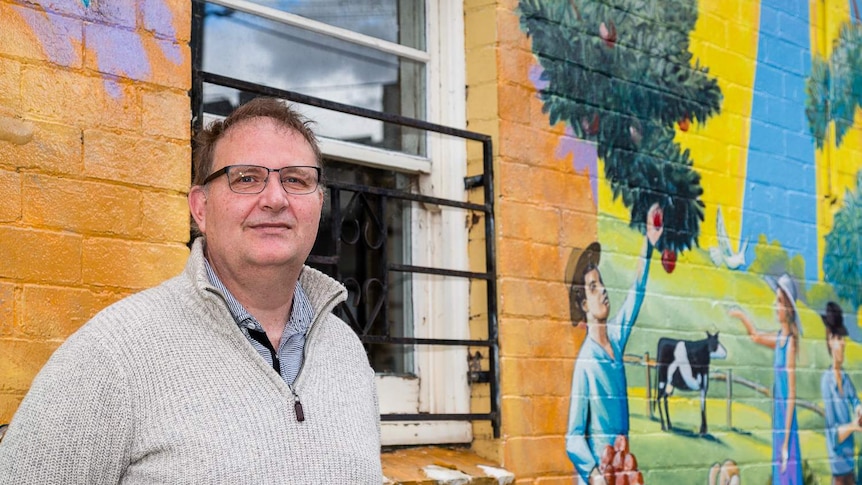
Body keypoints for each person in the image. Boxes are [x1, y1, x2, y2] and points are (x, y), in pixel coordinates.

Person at [0, 97, 383, 483]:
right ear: (200, 208)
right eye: (247, 178)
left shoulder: (346, 351)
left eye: (296, 179)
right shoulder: (112, 354)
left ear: (318, 203)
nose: (275, 198)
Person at [564, 203, 663, 485]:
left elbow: (636, 293)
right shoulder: (586, 363)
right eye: (593, 287)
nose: (603, 290)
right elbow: (572, 437)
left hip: (623, 473)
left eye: (601, 283)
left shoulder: (616, 340)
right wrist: (594, 475)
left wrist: (649, 243)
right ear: (584, 304)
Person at [728, 273, 802, 484]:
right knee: (779, 469)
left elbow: (792, 396)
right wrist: (741, 316)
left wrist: (787, 440)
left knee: (787, 470)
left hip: (785, 420)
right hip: (778, 417)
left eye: (779, 301)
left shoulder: (789, 344)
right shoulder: (779, 339)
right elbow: (756, 336)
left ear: (788, 309)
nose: (775, 305)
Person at [820, 301, 862, 485]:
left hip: (850, 467)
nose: (843, 344)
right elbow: (833, 434)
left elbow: (854, 400)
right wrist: (855, 426)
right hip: (839, 472)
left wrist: (860, 409)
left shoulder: (844, 378)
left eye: (843, 339)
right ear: (829, 340)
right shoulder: (827, 382)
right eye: (838, 338)